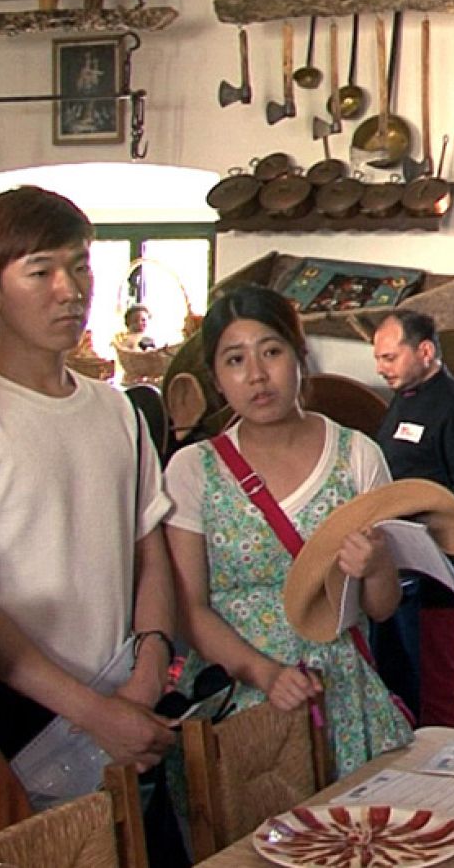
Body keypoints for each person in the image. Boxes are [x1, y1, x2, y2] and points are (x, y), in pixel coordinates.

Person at [0, 187, 177, 778]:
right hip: (16, 719)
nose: (69, 291)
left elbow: (150, 554)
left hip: (126, 698)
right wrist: (93, 712)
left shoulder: (117, 410)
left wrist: (149, 668)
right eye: (41, 271)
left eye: (79, 267)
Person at [163, 285, 412, 771]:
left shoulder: (357, 456)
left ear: (300, 357)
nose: (256, 375)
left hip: (343, 697)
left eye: (271, 352)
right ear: (216, 378)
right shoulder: (194, 469)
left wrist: (379, 564)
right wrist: (265, 673)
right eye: (234, 360)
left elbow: (382, 608)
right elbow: (188, 609)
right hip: (239, 706)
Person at [372, 310, 454, 727]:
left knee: (437, 693)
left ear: (424, 351)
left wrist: (422, 518)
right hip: (398, 574)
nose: (380, 368)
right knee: (402, 688)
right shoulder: (404, 396)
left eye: (390, 358)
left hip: (436, 578)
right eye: (379, 358)